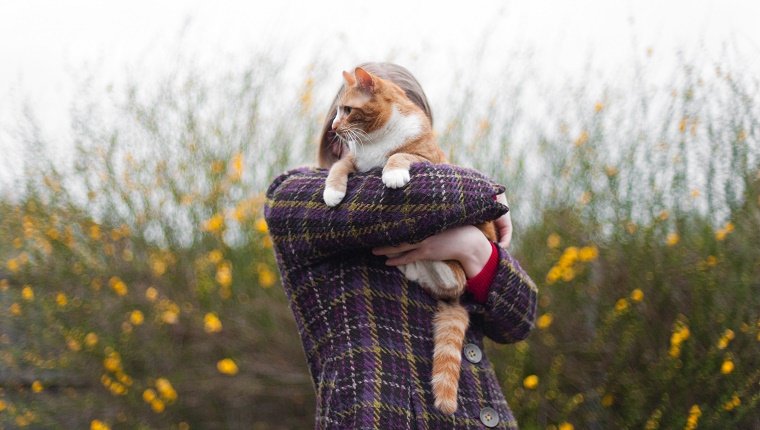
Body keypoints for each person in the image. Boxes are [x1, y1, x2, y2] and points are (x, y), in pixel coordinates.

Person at [264, 62, 537, 429]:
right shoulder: (295, 197)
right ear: (336, 130)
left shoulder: (453, 210)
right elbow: (402, 197)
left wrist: (474, 249)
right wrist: (489, 194)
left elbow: (519, 319)